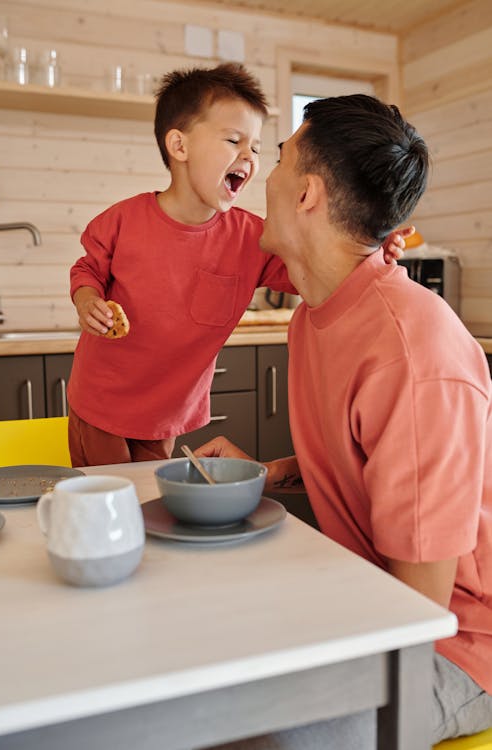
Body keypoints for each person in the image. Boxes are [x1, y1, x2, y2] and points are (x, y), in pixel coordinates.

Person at [196, 94, 492, 748]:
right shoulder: (314, 317)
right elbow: (379, 465)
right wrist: (270, 472)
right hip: (375, 605)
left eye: (275, 159)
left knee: (256, 735)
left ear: (306, 193)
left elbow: (416, 612)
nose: (261, 174)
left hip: (456, 645)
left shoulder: (412, 351)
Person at [67, 64, 408, 468]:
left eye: (258, 148)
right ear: (179, 146)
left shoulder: (252, 238)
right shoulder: (122, 220)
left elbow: (311, 269)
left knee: (149, 501)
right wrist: (88, 300)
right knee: (108, 503)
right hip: (101, 398)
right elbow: (87, 270)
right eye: (233, 140)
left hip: (165, 413)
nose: (249, 157)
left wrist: (371, 246)